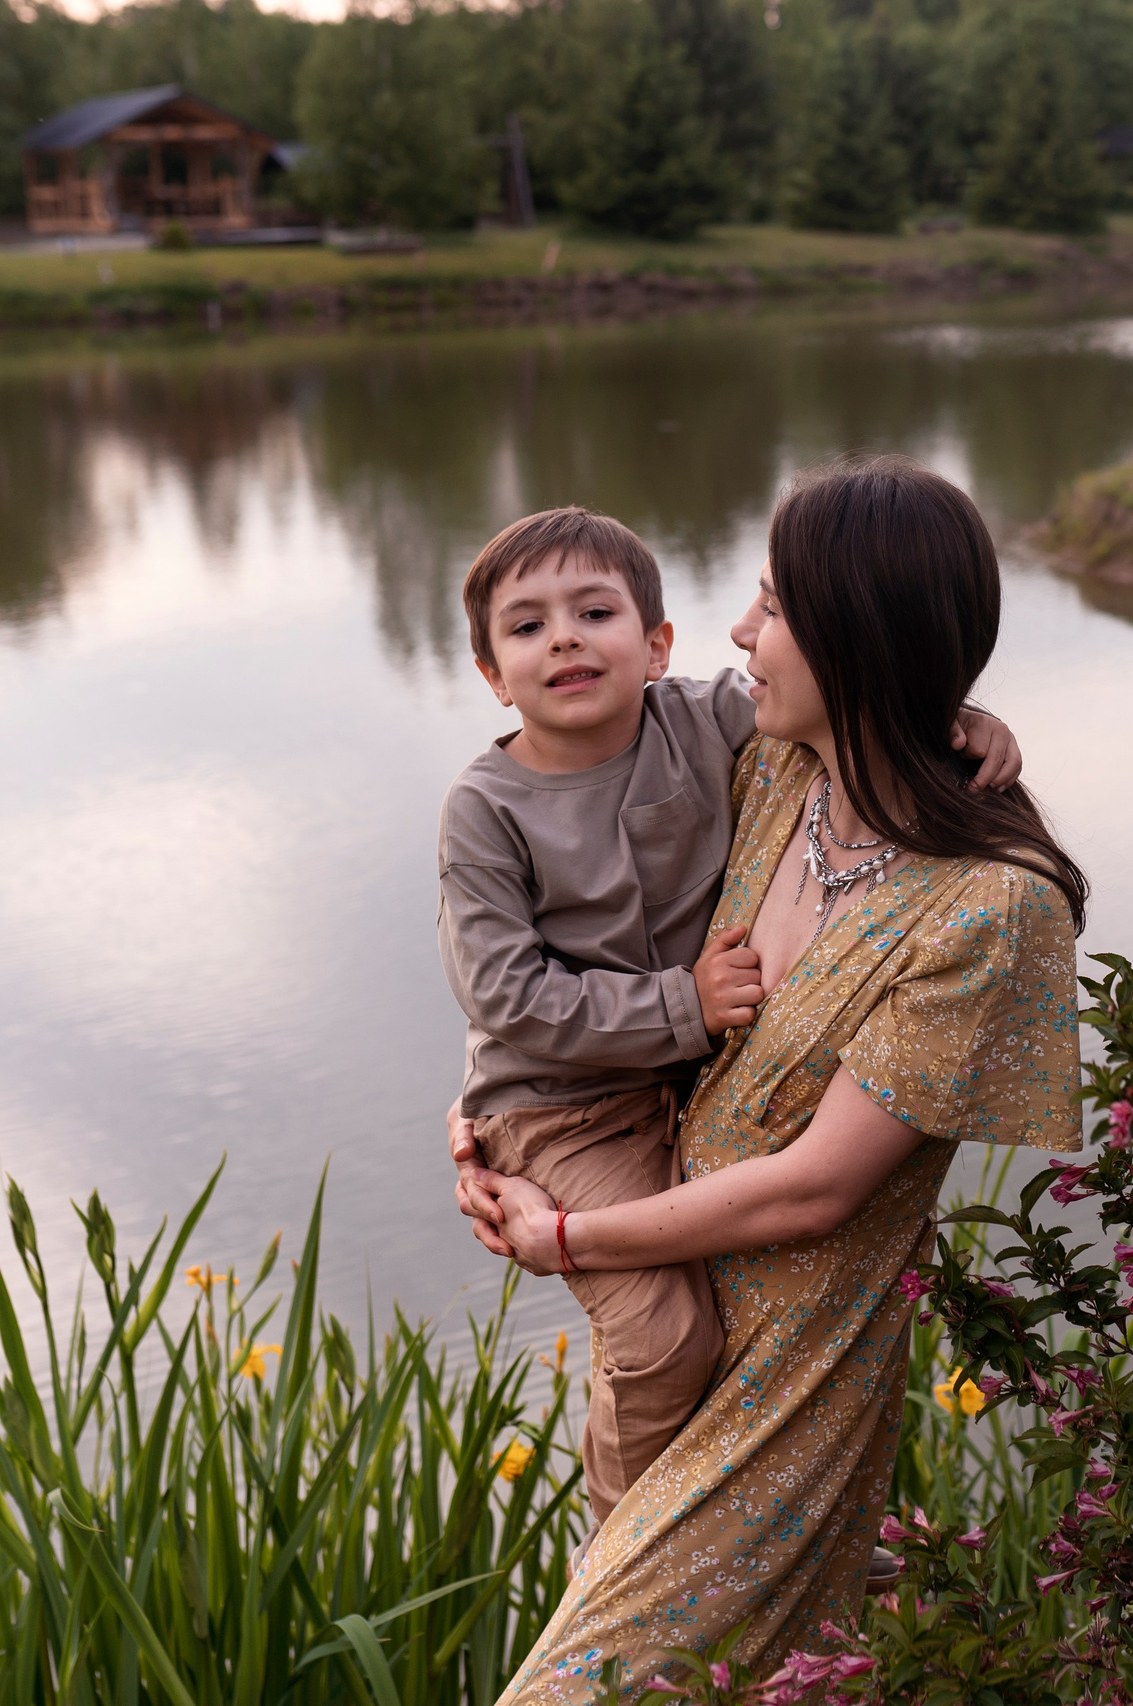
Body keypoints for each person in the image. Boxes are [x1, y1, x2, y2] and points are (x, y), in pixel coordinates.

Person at [455, 455, 1087, 1693]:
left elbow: (815, 1192)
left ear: (857, 634)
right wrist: (491, 1121)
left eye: (772, 604)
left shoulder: (986, 906)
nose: (739, 632)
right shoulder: (771, 779)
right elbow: (557, 955)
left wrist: (566, 1236)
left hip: (786, 1395)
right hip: (663, 1326)